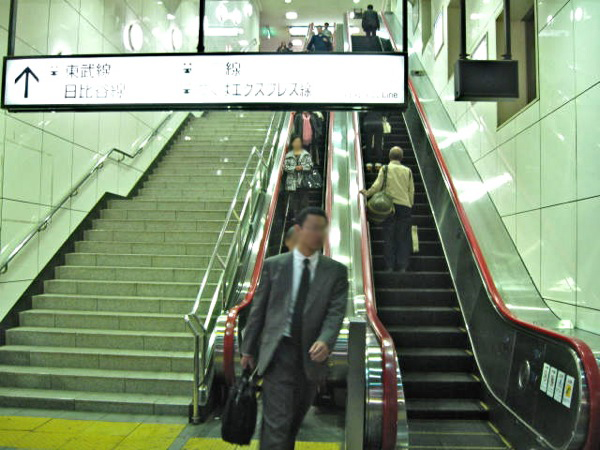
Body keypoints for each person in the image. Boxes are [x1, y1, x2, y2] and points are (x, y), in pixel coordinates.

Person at [241, 207, 349, 450]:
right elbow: (258, 310)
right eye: (314, 228)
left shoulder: (336, 272)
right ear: (299, 230)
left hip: (311, 358)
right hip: (279, 353)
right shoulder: (274, 266)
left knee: (292, 422)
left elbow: (335, 312)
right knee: (277, 425)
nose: (319, 234)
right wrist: (248, 349)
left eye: (323, 229)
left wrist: (326, 340)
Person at [361, 146, 414, 272]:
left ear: (389, 157)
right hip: (405, 206)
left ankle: (389, 266)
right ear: (401, 158)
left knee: (389, 236)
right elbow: (411, 191)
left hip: (389, 207)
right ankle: (402, 266)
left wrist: (367, 193)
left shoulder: (385, 168)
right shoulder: (408, 171)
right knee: (403, 237)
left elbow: (377, 185)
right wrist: (409, 205)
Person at [284, 135, 313, 220]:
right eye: (295, 142)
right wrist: (294, 168)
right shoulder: (288, 155)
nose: (297, 144)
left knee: (304, 200)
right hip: (292, 182)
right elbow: (285, 167)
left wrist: (302, 167)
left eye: (299, 142)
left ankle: (304, 217)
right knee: (293, 201)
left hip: (303, 181)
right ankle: (294, 216)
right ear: (292, 143)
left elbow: (310, 165)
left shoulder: (306, 154)